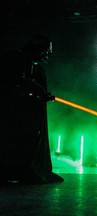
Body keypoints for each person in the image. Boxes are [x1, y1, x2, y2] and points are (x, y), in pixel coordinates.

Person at [0, 35, 64, 184]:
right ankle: (18, 172)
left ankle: (24, 171)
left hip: (20, 109)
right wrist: (37, 90)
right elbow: (14, 80)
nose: (47, 55)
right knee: (28, 135)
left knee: (31, 134)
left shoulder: (35, 66)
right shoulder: (14, 57)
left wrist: (39, 94)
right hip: (8, 109)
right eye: (46, 51)